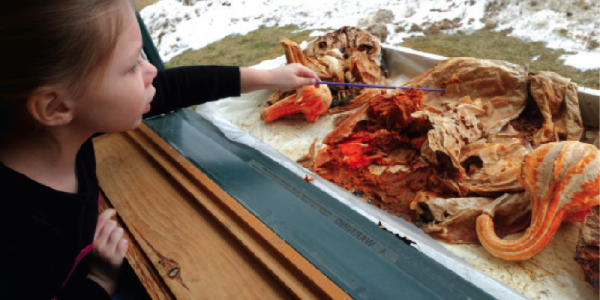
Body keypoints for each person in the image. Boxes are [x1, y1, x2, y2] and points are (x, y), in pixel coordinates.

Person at [0, 0, 320, 299]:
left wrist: (267, 77)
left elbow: (171, 87)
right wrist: (99, 280)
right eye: (131, 67)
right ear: (54, 107)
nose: (151, 71)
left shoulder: (56, 131)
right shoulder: (19, 236)